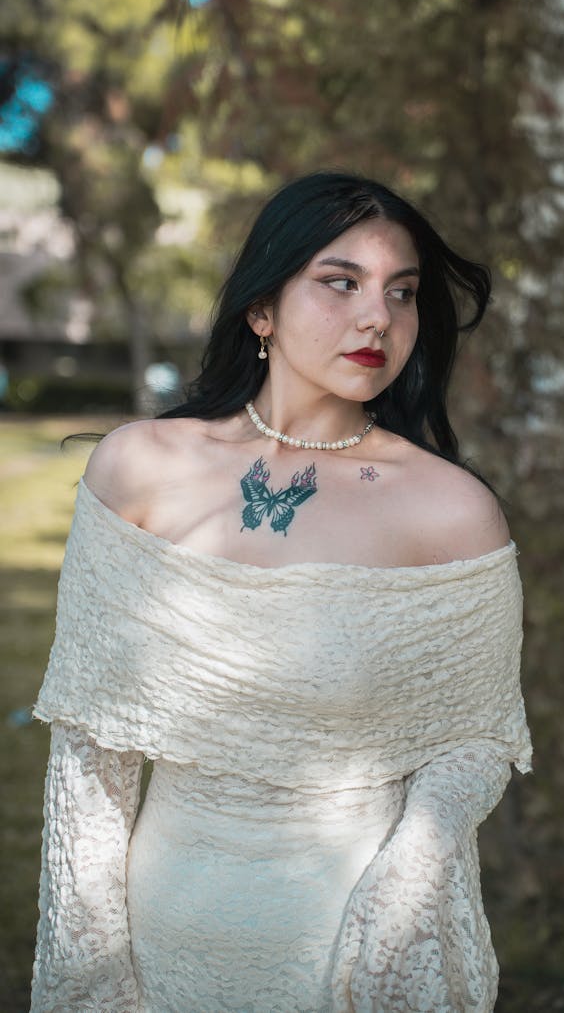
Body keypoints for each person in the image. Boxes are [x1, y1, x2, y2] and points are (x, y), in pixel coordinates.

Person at [31, 171, 532, 1013]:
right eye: (341, 283)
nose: (378, 317)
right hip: (163, 947)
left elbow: (475, 739)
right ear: (261, 308)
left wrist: (398, 900)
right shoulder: (138, 469)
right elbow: (90, 751)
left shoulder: (452, 511)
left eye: (401, 293)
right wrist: (92, 974)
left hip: (361, 957)